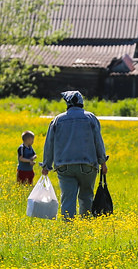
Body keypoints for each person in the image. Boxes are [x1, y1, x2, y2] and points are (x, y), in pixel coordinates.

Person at [41, 91, 108, 219]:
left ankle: (68, 228)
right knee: (87, 196)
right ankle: (85, 224)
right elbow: (98, 142)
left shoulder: (57, 120)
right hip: (88, 165)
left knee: (67, 198)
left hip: (64, 166)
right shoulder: (91, 118)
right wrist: (103, 163)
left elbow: (49, 144)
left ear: (67, 103)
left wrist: (46, 166)